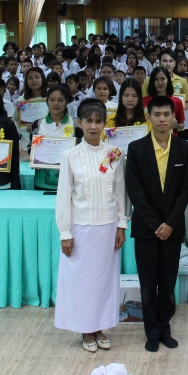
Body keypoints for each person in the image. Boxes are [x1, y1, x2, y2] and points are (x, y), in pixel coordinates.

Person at [55, 99, 129, 353]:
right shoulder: (70, 156)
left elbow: (120, 190)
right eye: (88, 121)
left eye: (98, 121)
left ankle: (100, 327)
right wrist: (65, 232)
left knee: (103, 281)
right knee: (82, 281)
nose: (93, 126)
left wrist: (121, 225)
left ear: (105, 124)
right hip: (80, 228)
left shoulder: (114, 154)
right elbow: (64, 195)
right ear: (79, 123)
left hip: (108, 227)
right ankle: (85, 328)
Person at [124, 96, 188, 352]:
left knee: (167, 283)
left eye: (167, 114)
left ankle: (165, 329)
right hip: (146, 229)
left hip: (173, 230)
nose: (162, 119)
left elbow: (185, 190)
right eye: (157, 115)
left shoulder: (183, 148)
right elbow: (136, 192)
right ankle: (151, 333)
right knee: (148, 284)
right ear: (149, 117)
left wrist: (170, 223)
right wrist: (156, 224)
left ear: (174, 118)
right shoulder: (136, 149)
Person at [30, 85, 76, 191]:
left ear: (66, 101)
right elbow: (30, 147)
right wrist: (32, 158)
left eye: (60, 100)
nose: (56, 103)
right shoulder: (38, 124)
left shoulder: (75, 123)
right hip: (42, 180)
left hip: (69, 180)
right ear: (47, 102)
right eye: (52, 100)